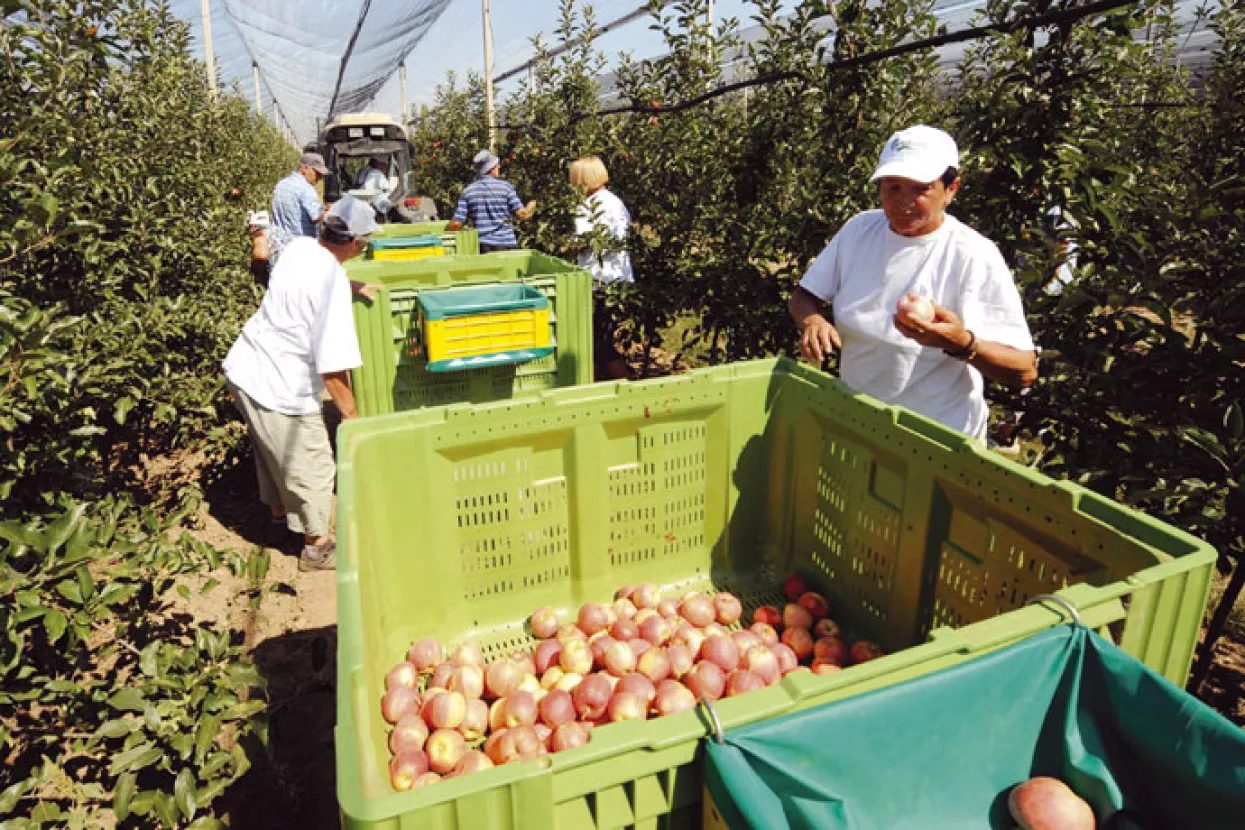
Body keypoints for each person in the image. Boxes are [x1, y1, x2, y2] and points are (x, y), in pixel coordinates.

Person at [789, 125, 1038, 442]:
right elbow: (803, 296)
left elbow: (1025, 371)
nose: (902, 201)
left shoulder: (973, 255)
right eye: (892, 187)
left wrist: (962, 344)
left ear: (951, 189)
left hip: (934, 442)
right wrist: (812, 320)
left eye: (920, 189)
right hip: (858, 424)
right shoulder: (859, 230)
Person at [223, 197, 382, 572]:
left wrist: (351, 285)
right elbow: (333, 366)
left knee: (271, 449)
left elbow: (303, 274)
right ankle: (317, 548)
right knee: (313, 462)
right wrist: (351, 414)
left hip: (244, 368)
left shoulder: (299, 248)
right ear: (357, 243)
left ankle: (279, 517)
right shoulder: (330, 286)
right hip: (279, 385)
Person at [569, 156, 633, 380]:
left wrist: (565, 246)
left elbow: (584, 240)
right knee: (598, 341)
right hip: (618, 280)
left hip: (599, 281)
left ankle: (629, 389)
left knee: (598, 344)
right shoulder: (615, 201)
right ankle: (598, 388)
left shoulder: (588, 206)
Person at [446, 149, 537, 252]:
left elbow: (456, 224)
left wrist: (445, 234)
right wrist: (533, 203)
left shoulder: (468, 192)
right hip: (506, 244)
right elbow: (522, 215)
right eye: (497, 165)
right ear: (491, 168)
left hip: (483, 247)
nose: (499, 167)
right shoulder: (506, 187)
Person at [271, 151, 330, 240]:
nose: (320, 177)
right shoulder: (306, 188)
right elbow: (317, 217)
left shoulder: (281, 184)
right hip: (300, 245)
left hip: (280, 244)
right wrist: (332, 210)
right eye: (317, 173)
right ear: (304, 169)